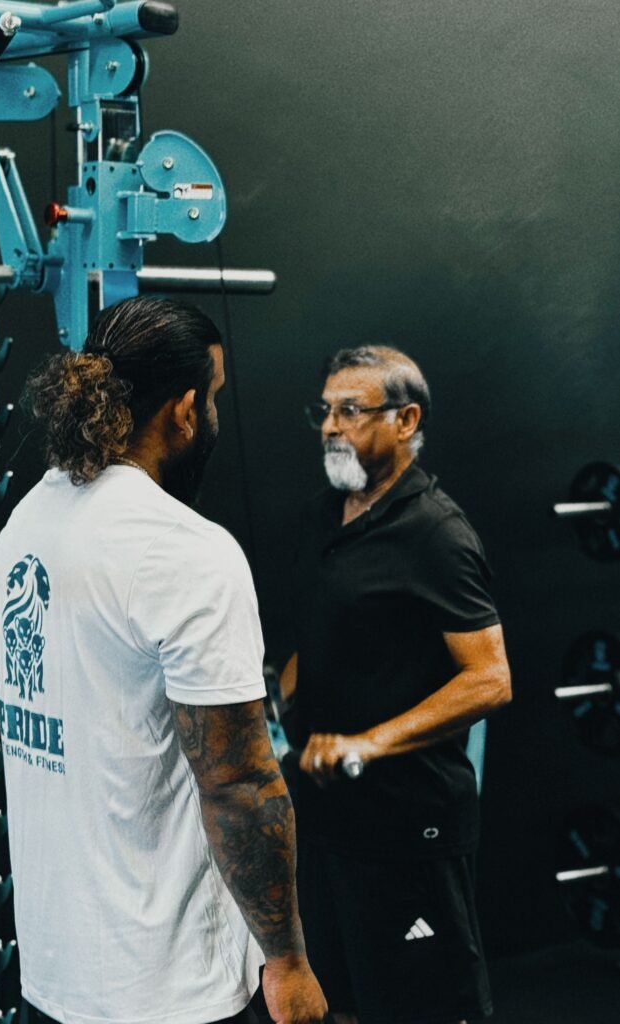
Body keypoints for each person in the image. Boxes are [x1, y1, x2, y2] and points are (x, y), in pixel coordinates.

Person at [0, 297, 327, 1024]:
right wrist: (288, 960)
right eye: (214, 397)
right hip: (170, 992)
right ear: (183, 411)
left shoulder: (27, 523)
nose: (212, 415)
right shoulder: (185, 551)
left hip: (54, 980)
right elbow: (240, 785)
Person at [280, 345, 512, 1024]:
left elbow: (490, 679)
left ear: (405, 420)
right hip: (330, 821)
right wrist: (277, 709)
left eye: (350, 410)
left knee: (420, 1009)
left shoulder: (435, 533)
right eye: (325, 410)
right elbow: (320, 638)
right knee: (341, 1003)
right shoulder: (325, 515)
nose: (330, 425)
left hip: (410, 827)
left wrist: (368, 743)